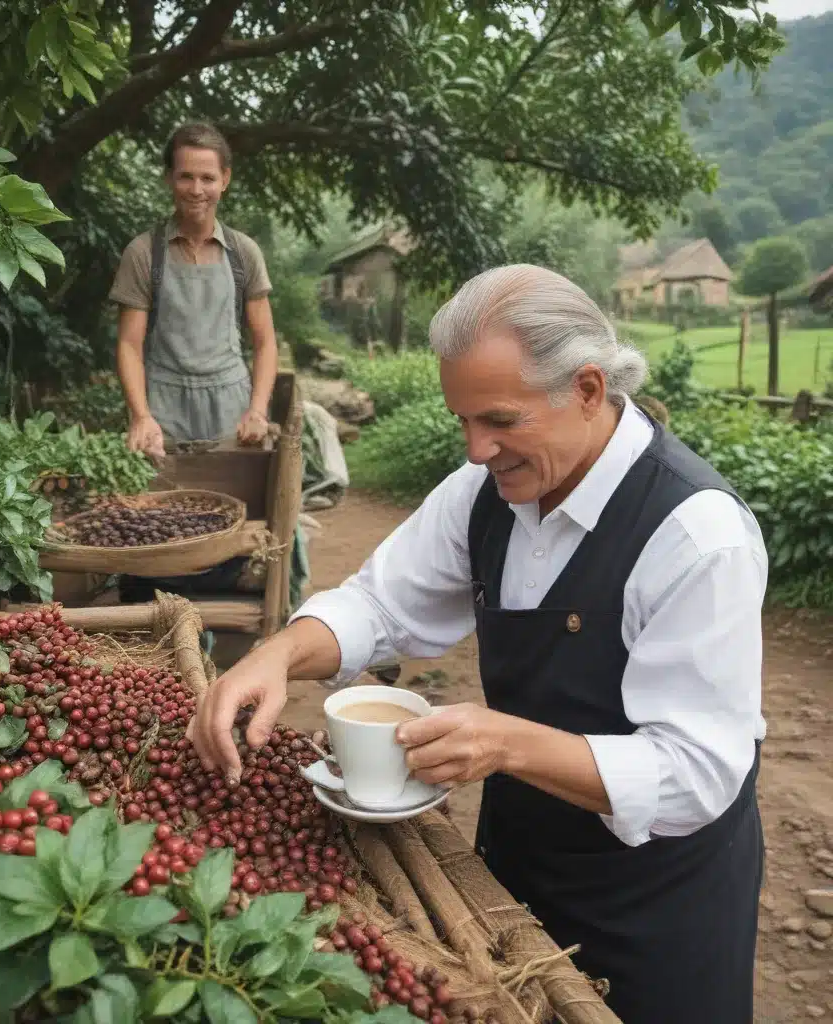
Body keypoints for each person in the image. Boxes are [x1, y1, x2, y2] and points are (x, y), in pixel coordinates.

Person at [191, 264, 767, 1024]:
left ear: (587, 390)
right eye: (462, 420)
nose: (475, 449)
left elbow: (696, 773)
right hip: (521, 859)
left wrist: (506, 744)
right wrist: (281, 653)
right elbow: (380, 600)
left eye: (498, 420)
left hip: (654, 903)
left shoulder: (696, 537)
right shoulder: (488, 492)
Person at [109, 121, 278, 459]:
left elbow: (265, 342)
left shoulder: (244, 253)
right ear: (169, 178)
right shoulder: (144, 253)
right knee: (161, 509)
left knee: (236, 507)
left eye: (208, 178)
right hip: (163, 410)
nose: (196, 189)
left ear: (224, 180)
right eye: (186, 176)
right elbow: (129, 344)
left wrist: (257, 411)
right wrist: (142, 417)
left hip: (232, 408)